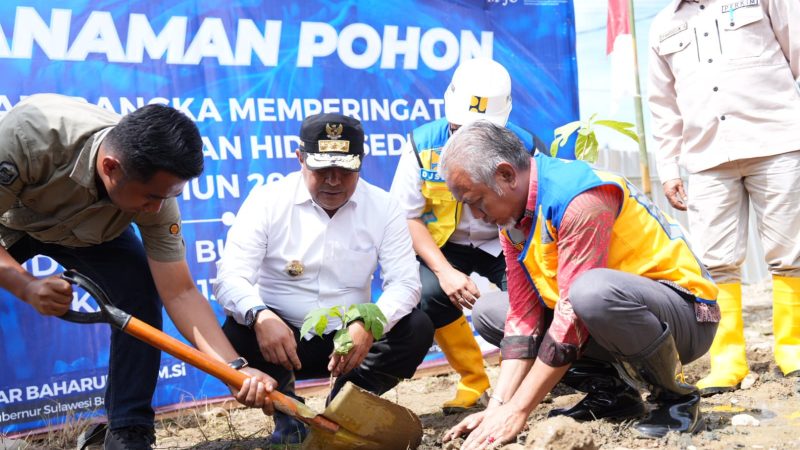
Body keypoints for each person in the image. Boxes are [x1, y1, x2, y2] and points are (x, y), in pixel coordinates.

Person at [0, 94, 274, 450]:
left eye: (167, 197)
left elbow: (180, 292)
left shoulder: (155, 194)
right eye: (150, 198)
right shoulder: (27, 136)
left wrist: (233, 370)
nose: (157, 208)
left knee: (141, 296)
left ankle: (128, 432)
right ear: (111, 167)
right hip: (15, 222)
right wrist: (25, 286)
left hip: (97, 234)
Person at [439, 121, 720, 449]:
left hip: (683, 316)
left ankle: (677, 399)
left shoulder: (578, 196)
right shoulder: (513, 219)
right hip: (608, 317)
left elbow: (572, 315)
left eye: (478, 201)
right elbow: (523, 316)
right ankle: (613, 396)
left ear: (505, 175)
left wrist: (520, 410)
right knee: (490, 311)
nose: (477, 215)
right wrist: (496, 409)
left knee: (591, 292)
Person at [214, 113, 434, 445]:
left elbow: (405, 284)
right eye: (321, 170)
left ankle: (345, 407)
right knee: (237, 328)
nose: (333, 181)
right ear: (300, 158)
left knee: (416, 328)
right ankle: (288, 413)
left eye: (345, 171)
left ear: (361, 161)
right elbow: (230, 278)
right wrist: (260, 316)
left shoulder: (384, 207)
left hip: (349, 342)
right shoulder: (266, 201)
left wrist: (368, 322)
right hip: (281, 339)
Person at [648, 0, 800, 395]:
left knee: (791, 252)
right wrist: (668, 168)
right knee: (715, 262)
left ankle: (794, 350)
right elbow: (663, 107)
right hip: (706, 157)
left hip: (778, 141)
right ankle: (728, 360)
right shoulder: (663, 25)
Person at [389, 57, 545, 414]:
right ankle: (473, 380)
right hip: (444, 245)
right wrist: (444, 272)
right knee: (425, 294)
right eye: (460, 127)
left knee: (536, 292)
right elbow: (407, 217)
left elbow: (537, 215)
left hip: (507, 240)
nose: (469, 138)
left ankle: (530, 376)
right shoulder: (420, 145)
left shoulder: (526, 147)